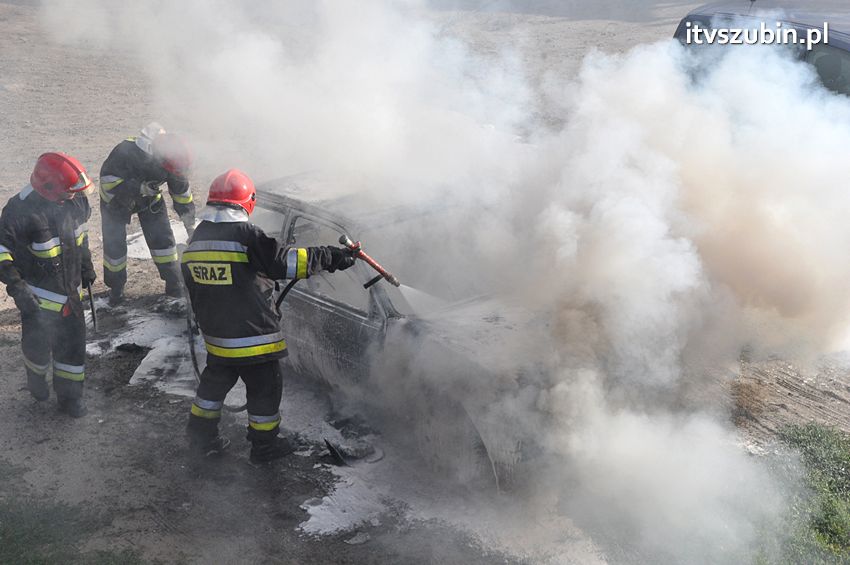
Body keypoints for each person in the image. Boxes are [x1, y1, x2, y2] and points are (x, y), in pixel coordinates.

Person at [182, 169, 356, 462]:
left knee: (211, 389)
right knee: (264, 391)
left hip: (218, 340)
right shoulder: (245, 236)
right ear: (246, 203)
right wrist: (332, 256)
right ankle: (265, 448)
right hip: (254, 339)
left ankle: (200, 439)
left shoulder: (197, 240)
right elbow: (285, 263)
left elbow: (197, 287)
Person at [0, 153, 95, 417]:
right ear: (50, 188)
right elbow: (1, 254)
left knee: (74, 349)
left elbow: (80, 236)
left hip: (71, 296)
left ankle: (70, 399)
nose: (74, 197)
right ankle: (37, 379)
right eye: (68, 193)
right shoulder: (19, 211)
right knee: (37, 347)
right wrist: (18, 290)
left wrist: (86, 266)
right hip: (38, 301)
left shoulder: (73, 200)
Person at [99, 122, 195, 305]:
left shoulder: (173, 159)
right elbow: (107, 182)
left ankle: (174, 283)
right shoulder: (125, 152)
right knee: (114, 248)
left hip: (150, 199)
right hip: (116, 201)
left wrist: (190, 224)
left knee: (163, 241)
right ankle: (116, 289)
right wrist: (138, 188)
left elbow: (181, 194)